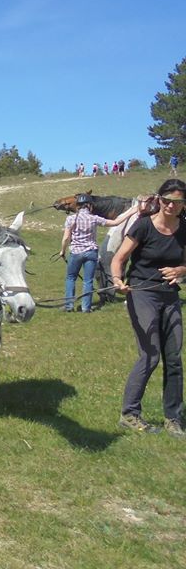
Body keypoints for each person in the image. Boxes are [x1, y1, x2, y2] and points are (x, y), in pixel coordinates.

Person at [111, 179, 186, 437]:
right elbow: (119, 259)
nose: (171, 206)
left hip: (170, 297)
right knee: (150, 354)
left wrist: (182, 270)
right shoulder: (144, 226)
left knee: (174, 358)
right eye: (167, 200)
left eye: (177, 202)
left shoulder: (184, 228)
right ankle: (130, 414)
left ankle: (173, 418)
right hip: (142, 294)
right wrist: (117, 281)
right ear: (159, 199)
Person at [58, 194, 137, 312]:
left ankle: (69, 306)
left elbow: (66, 238)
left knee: (70, 278)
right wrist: (132, 210)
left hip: (76, 253)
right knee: (88, 281)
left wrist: (62, 251)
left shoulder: (71, 219)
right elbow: (116, 222)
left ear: (78, 206)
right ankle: (86, 307)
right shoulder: (94, 218)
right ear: (89, 206)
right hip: (91, 253)